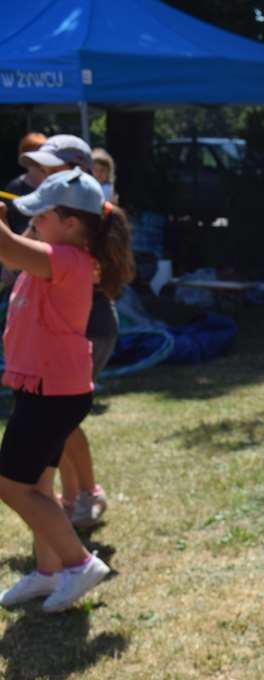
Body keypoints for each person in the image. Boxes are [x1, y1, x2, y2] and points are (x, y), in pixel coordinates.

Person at [0, 168, 131, 611]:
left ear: (71, 223)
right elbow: (13, 250)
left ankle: (79, 564)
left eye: (41, 216)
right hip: (45, 387)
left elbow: (7, 247)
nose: (33, 222)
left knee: (11, 486)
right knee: (37, 483)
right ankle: (47, 571)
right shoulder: (56, 254)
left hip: (52, 393)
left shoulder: (67, 261)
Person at [19, 134, 130, 528]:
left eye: (47, 168)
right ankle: (71, 500)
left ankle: (83, 495)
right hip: (67, 333)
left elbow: (23, 256)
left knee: (61, 420)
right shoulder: (51, 216)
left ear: (75, 173)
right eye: (37, 168)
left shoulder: (85, 225)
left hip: (88, 331)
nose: (36, 175)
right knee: (59, 423)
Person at [3, 132, 48, 235]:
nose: (37, 158)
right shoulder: (15, 187)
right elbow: (7, 221)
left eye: (42, 152)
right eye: (32, 152)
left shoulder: (57, 185)